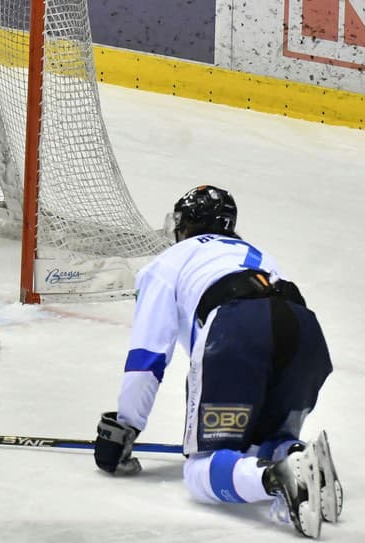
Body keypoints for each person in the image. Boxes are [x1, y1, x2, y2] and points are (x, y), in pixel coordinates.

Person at [93, 185, 342, 539]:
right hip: (305, 331)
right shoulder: (256, 253)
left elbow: (147, 356)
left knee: (200, 471)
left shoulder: (167, 262)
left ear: (188, 225)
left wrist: (126, 426)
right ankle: (298, 459)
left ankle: (277, 478)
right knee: (262, 446)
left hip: (239, 328)